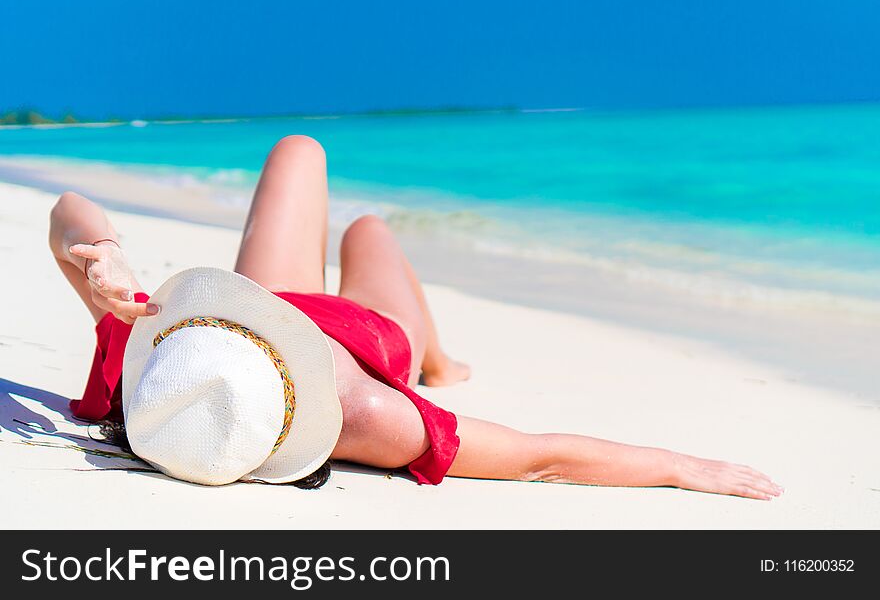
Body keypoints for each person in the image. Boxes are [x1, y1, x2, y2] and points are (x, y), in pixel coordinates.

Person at [48, 134, 782, 499]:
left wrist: (103, 252)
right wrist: (681, 467)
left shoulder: (168, 364)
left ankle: (423, 352)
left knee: (299, 149)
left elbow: (64, 213)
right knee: (370, 230)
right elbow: (540, 454)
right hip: (372, 329)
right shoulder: (372, 413)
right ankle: (441, 362)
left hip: (268, 291)